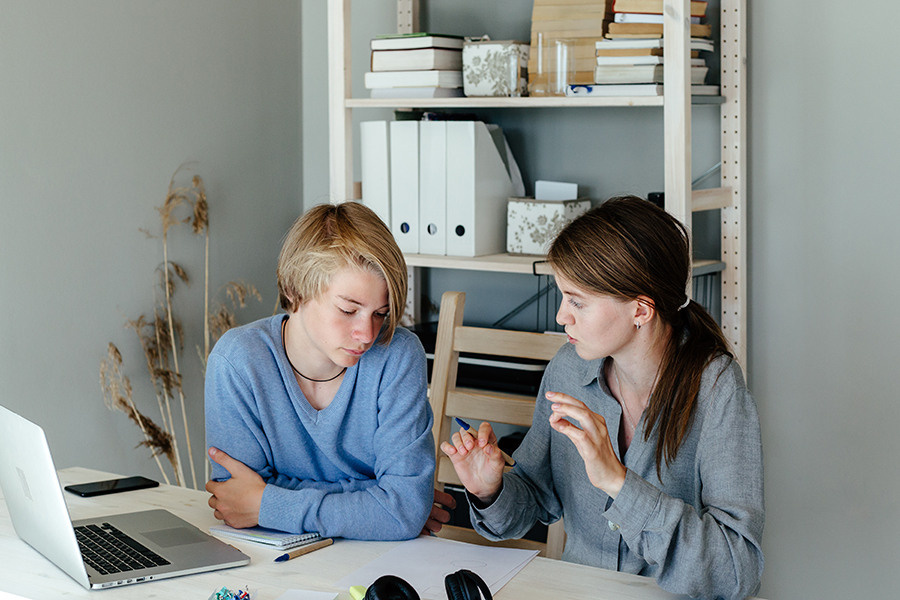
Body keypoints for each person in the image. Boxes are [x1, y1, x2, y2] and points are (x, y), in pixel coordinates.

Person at [441, 196, 764, 599]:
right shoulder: (568, 370)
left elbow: (737, 571)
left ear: (641, 311)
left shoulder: (717, 389)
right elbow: (535, 499)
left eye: (577, 301)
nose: (562, 316)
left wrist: (618, 482)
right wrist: (491, 490)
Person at [205, 201, 451, 541]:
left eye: (380, 313)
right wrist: (375, 500)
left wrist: (270, 501)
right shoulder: (238, 362)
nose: (367, 334)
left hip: (382, 562)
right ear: (295, 291)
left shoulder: (398, 354)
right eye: (348, 310)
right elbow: (235, 502)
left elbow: (403, 511)